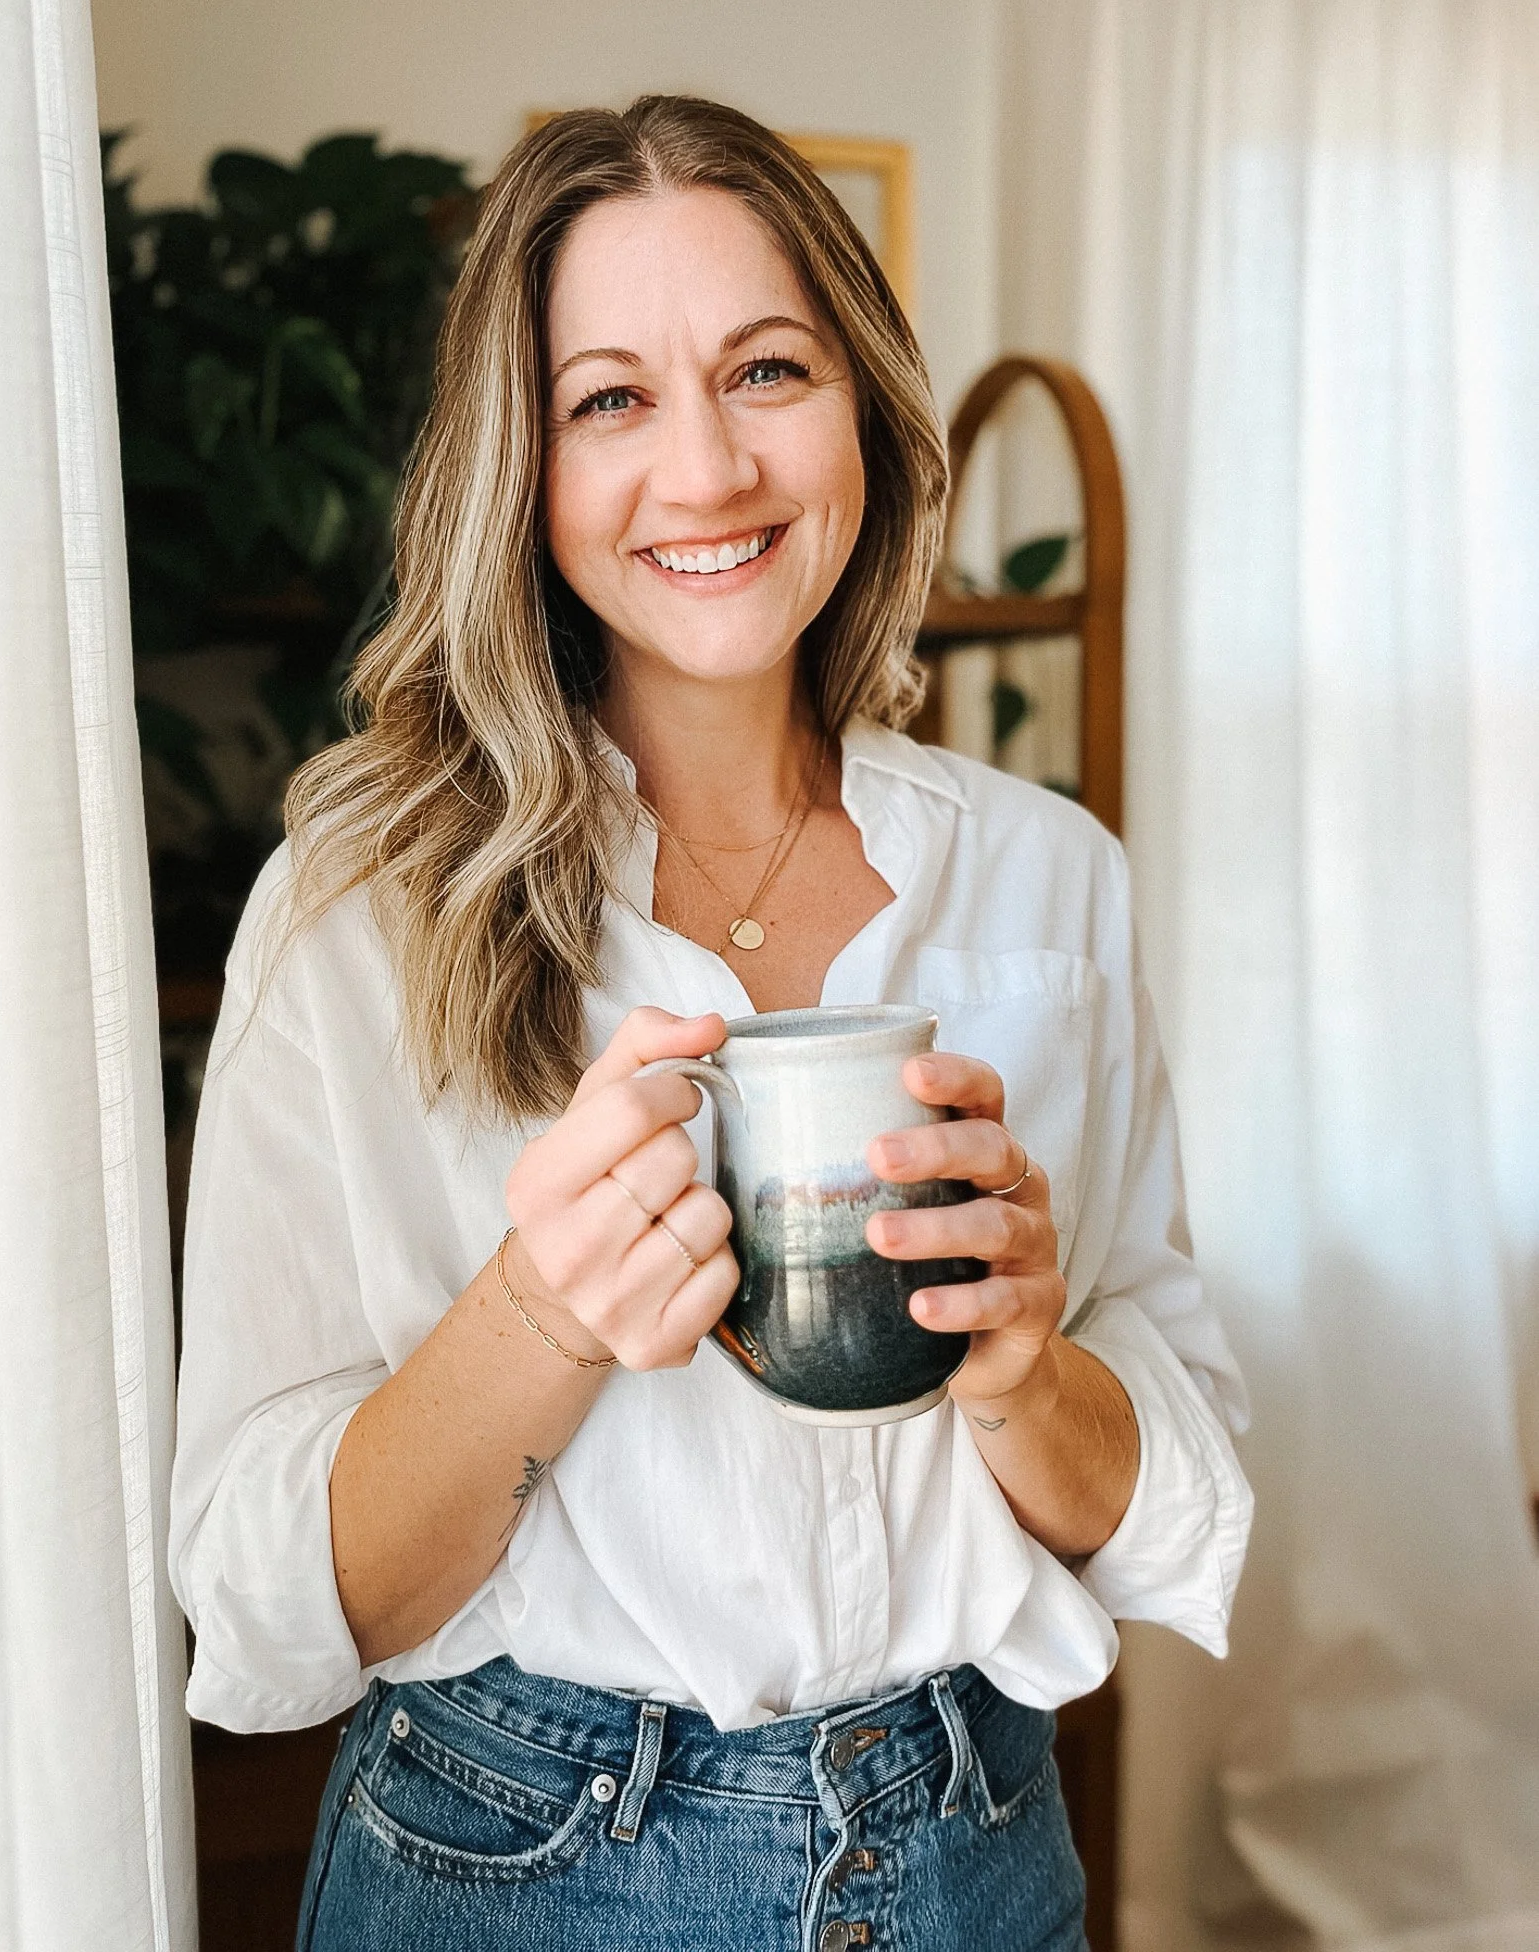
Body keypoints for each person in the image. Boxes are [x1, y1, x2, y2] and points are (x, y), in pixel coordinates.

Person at [168, 94, 1253, 1952]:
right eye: (610, 399)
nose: (707, 468)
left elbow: (1161, 1504)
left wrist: (1019, 1367)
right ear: (523, 466)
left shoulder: (1050, 876)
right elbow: (273, 1599)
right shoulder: (358, 907)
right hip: (517, 1872)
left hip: (978, 1850)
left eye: (766, 369)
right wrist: (544, 1315)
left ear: (864, 409)